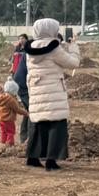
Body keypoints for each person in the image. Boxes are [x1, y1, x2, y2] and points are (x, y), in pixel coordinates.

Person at [25, 16, 81, 170]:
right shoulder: (54, 47)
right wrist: (73, 46)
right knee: (56, 124)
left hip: (37, 90)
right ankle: (51, 160)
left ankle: (33, 157)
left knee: (38, 124)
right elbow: (73, 63)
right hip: (53, 91)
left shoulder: (30, 49)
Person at [0, 78, 28, 150]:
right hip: (8, 119)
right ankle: (10, 145)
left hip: (1, 119)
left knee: (3, 132)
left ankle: (3, 144)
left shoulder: (2, 97)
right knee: (11, 132)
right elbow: (17, 109)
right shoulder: (11, 99)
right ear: (14, 91)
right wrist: (26, 113)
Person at [10, 33, 31, 143]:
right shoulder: (26, 52)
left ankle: (24, 137)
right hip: (22, 83)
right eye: (20, 38)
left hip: (20, 81)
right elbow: (12, 60)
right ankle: (28, 138)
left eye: (23, 38)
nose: (21, 40)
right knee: (32, 111)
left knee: (29, 110)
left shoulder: (27, 51)